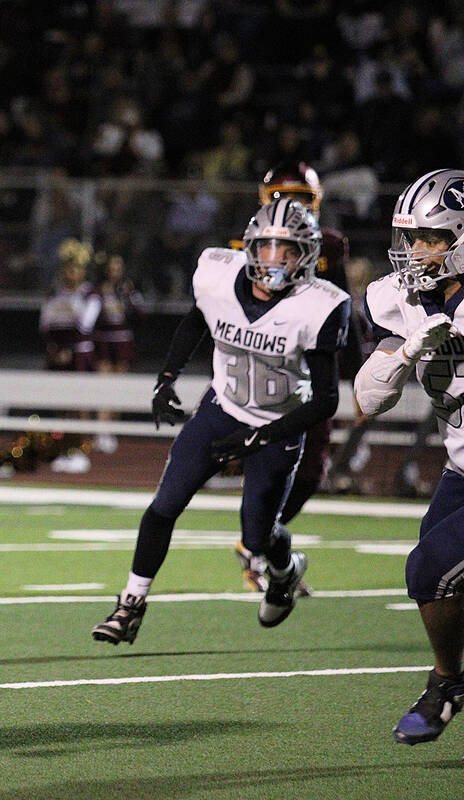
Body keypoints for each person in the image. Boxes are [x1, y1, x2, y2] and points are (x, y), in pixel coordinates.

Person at [92, 198, 350, 645]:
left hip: (279, 425)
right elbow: (197, 320)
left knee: (258, 537)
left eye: (287, 250)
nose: (274, 260)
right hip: (222, 409)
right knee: (164, 505)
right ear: (250, 247)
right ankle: (130, 604)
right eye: (266, 247)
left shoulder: (320, 305)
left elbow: (326, 400)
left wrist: (261, 437)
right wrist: (166, 378)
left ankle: (285, 570)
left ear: (306, 256)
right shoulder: (218, 276)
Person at [352, 168, 464, 746]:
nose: (417, 250)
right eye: (412, 237)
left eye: (432, 237)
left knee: (430, 571)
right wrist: (407, 352)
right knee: (437, 575)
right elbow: (368, 399)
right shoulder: (406, 300)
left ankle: (446, 685)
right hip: (460, 467)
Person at [234, 161, 351, 591]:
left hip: (310, 366)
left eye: (301, 200)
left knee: (310, 466)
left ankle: (260, 545)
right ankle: (260, 550)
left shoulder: (328, 245)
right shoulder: (247, 243)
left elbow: (343, 309)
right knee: (270, 463)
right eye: (284, 198)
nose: (293, 208)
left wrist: (359, 373)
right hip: (263, 364)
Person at [39, 237, 100, 473]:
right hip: (57, 355)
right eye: (67, 268)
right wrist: (56, 350)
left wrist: (68, 349)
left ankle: (80, 451)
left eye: (75, 269)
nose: (70, 273)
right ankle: (63, 449)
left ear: (83, 271)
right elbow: (46, 324)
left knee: (79, 405)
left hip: (79, 356)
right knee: (60, 406)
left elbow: (84, 325)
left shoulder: (89, 295)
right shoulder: (54, 293)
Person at [91, 252, 144, 454]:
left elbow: (140, 314)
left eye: (118, 268)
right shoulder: (98, 291)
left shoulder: (126, 290)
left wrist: (131, 295)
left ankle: (111, 430)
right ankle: (101, 431)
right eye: (111, 268)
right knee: (103, 386)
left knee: (117, 388)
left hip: (122, 341)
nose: (115, 272)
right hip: (103, 340)